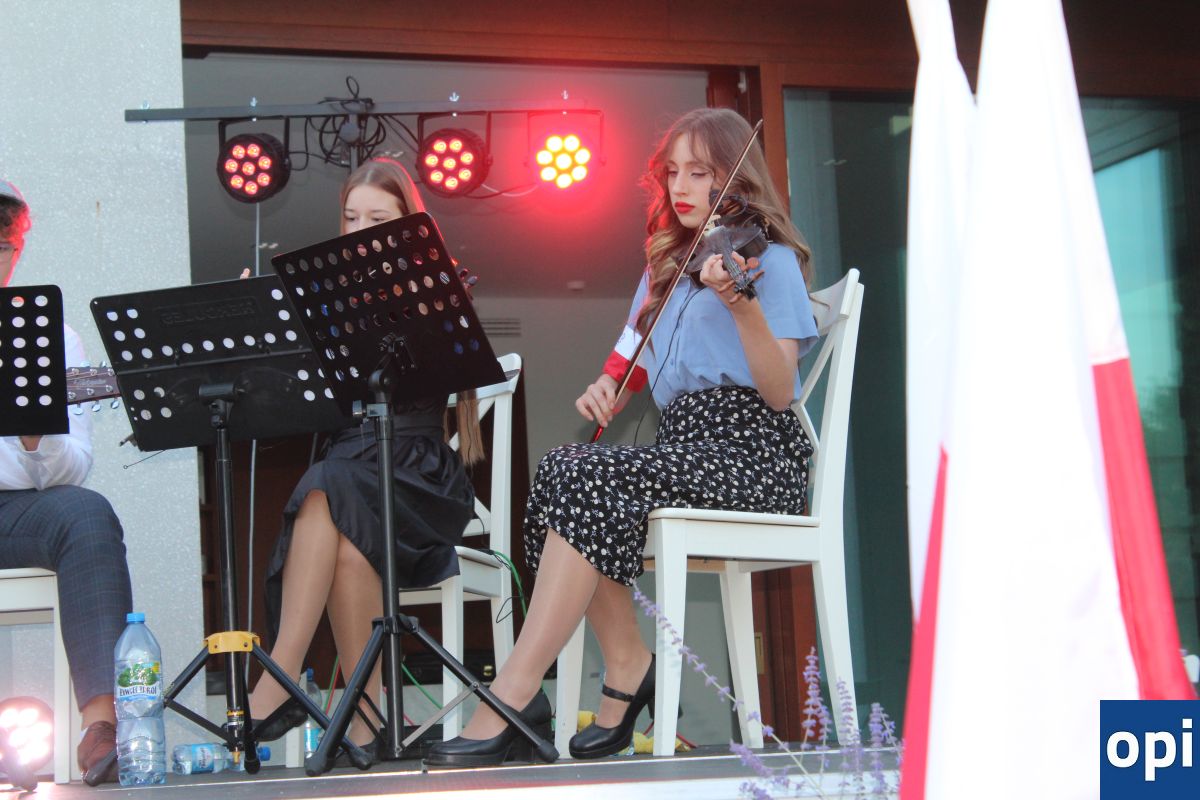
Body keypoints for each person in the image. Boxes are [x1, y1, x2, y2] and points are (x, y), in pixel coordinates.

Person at [426, 107, 819, 767]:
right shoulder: (667, 266)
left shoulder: (768, 261)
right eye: (673, 173)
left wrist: (740, 304)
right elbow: (634, 352)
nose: (681, 187)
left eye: (701, 172)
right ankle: (626, 662)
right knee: (563, 467)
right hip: (684, 445)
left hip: (754, 454)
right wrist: (608, 385)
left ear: (736, 178)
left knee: (583, 475)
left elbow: (780, 392)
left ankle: (517, 689)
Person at [247, 158, 484, 757]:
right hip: (352, 465)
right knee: (349, 544)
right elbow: (299, 401)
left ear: (409, 223)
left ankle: (281, 672)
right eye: (351, 218)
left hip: (417, 470)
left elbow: (442, 378)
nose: (360, 231)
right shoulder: (325, 302)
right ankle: (369, 715)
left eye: (378, 219)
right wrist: (267, 329)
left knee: (325, 484)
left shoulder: (435, 289)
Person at [0, 179, 133, 784]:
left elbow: (74, 465)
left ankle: (101, 726)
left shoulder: (49, 338)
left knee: (86, 512)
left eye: (4, 245)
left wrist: (34, 438)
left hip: (13, 512)